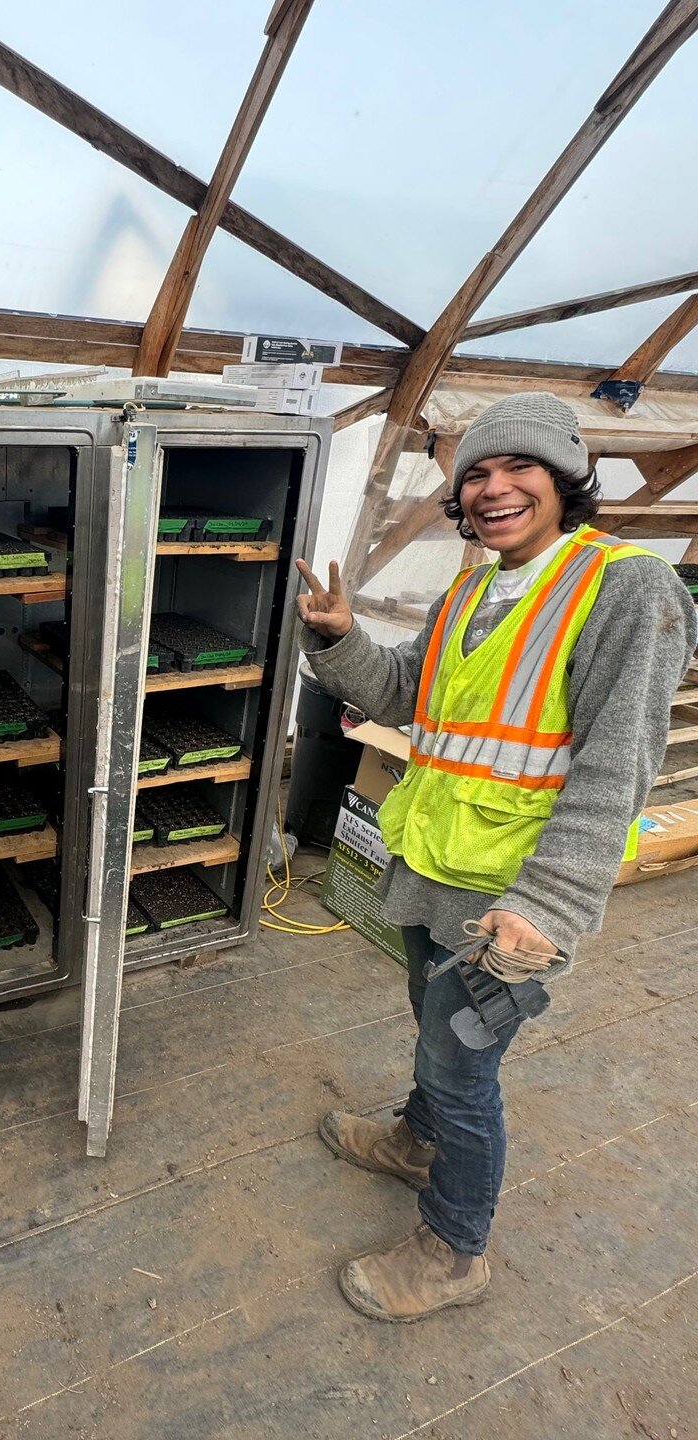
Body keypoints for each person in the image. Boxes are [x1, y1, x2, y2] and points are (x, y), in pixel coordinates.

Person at [295, 391, 696, 1323]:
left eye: (519, 468)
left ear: (566, 480)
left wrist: (546, 908)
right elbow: (404, 696)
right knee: (436, 1043)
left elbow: (618, 764)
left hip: (510, 899)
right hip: (436, 867)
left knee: (463, 1066)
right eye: (475, 473)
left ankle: (454, 1247)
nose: (492, 488)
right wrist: (340, 639)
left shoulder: (625, 588)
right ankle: (415, 1141)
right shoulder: (473, 588)